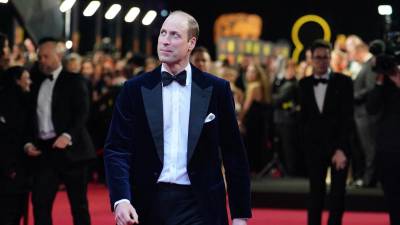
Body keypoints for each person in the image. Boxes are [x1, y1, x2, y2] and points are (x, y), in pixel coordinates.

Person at [104, 11, 251, 225]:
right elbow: (117, 148)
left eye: (174, 35)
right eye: (163, 33)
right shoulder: (134, 89)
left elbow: (234, 154)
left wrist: (239, 215)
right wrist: (121, 199)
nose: (165, 41)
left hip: (200, 205)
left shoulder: (216, 89)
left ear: (191, 43)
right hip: (146, 203)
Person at [25, 37, 95, 225]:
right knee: (40, 202)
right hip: (45, 151)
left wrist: (67, 135)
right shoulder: (35, 81)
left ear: (58, 56)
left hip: (72, 151)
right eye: (39, 57)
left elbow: (83, 112)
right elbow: (29, 115)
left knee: (78, 205)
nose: (41, 61)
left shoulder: (74, 80)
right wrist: (29, 142)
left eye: (46, 56)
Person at [298, 39, 353, 225]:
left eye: (325, 57)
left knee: (338, 195)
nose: (321, 61)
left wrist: (341, 149)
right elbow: (304, 120)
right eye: (317, 57)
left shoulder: (344, 82)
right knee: (315, 194)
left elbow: (348, 119)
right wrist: (307, 148)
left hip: (339, 148)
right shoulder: (304, 84)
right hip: (314, 149)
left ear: (331, 58)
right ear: (311, 59)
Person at [366, 54, 400, 225]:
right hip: (388, 148)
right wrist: (380, 80)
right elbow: (371, 108)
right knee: (393, 200)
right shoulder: (383, 82)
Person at [0, 66, 32, 225]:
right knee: (10, 210)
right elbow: (9, 137)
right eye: (27, 78)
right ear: (17, 80)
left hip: (14, 166)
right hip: (11, 166)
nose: (30, 82)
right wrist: (10, 167)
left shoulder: (18, 99)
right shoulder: (13, 102)